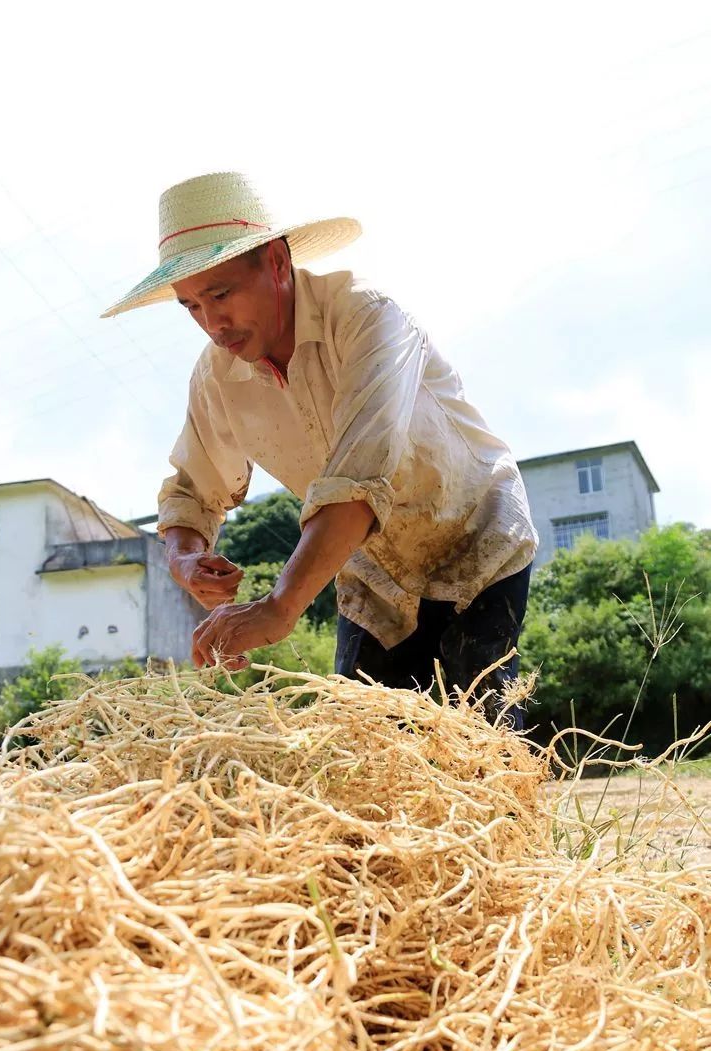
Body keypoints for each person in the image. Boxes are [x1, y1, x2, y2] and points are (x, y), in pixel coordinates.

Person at [102, 171, 538, 723]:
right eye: (191, 306)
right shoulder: (217, 376)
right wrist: (185, 557)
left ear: (278, 264)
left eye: (221, 293)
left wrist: (279, 608)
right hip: (373, 570)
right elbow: (192, 491)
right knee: (366, 739)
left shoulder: (368, 318)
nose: (212, 323)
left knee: (479, 726)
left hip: (473, 534)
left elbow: (359, 480)